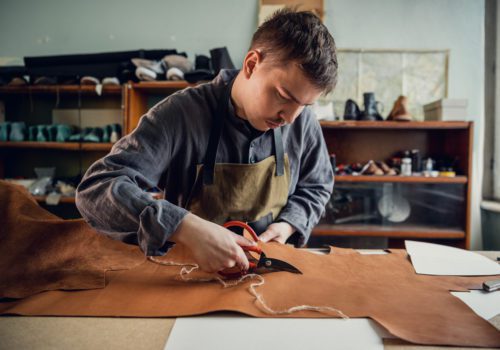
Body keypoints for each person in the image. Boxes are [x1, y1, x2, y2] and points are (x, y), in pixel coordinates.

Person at [76, 8, 338, 274]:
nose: (291, 118)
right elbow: (96, 190)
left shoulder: (302, 121)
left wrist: (289, 224)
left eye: (305, 105)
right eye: (284, 95)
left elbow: (317, 186)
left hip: (269, 275)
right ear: (251, 64)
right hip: (190, 275)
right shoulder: (179, 115)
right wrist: (183, 226)